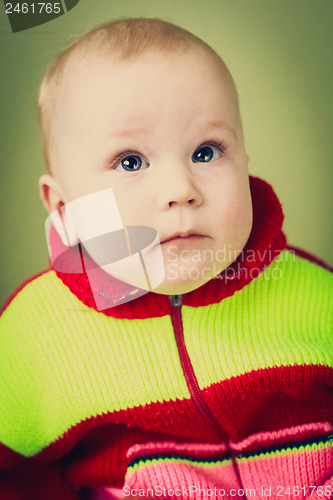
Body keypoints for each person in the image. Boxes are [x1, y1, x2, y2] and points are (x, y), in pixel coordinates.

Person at [0, 18, 332, 500]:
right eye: (130, 161)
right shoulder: (35, 333)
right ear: (64, 208)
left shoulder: (307, 290)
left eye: (206, 151)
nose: (181, 190)